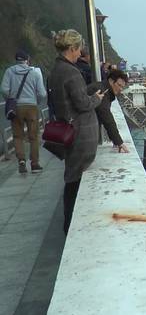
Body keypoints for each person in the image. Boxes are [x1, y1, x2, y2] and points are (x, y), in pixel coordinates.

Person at [47, 29, 105, 234]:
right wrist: (96, 98)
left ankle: (68, 224)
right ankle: (70, 225)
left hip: (69, 129)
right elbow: (81, 103)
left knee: (72, 179)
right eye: (79, 48)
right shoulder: (71, 72)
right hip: (80, 133)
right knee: (74, 181)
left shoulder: (56, 69)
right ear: (72, 48)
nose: (81, 52)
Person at [1, 50, 47, 174]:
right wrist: (35, 101)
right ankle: (35, 164)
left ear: (16, 60)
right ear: (27, 60)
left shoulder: (9, 71)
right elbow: (42, 93)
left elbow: (4, 89)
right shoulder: (35, 73)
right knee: (33, 137)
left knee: (17, 136)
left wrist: (11, 99)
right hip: (31, 107)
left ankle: (21, 160)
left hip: (16, 107)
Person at [87, 69, 130, 153]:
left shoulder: (102, 87)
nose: (121, 89)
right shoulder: (102, 91)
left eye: (122, 87)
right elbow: (107, 118)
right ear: (111, 81)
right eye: (119, 85)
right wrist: (119, 142)